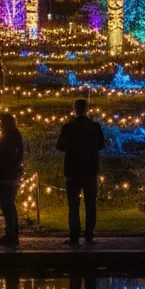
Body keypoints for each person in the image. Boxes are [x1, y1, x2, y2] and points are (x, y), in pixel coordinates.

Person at [56, 99, 105, 245]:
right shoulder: (95, 127)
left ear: (75, 109)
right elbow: (102, 145)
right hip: (90, 170)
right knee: (90, 204)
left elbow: (60, 146)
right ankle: (89, 235)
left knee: (73, 204)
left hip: (73, 170)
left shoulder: (68, 127)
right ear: (87, 109)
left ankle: (74, 236)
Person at [0, 112, 24, 247]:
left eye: (1, 122)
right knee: (7, 205)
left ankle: (11, 234)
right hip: (6, 174)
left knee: (8, 205)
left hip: (7, 175)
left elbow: (11, 156)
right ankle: (10, 232)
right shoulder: (12, 136)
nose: (0, 125)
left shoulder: (11, 137)